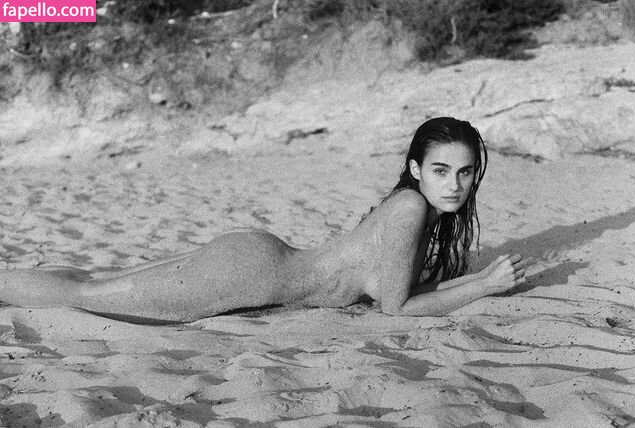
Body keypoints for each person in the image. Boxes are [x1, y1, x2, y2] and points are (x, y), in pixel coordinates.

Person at [0, 117, 527, 323]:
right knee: (86, 294)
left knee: (93, 282)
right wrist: (481, 286)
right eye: (440, 170)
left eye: (464, 172)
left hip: (256, 262)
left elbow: (394, 287)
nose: (454, 184)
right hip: (246, 274)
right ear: (416, 170)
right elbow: (397, 308)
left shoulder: (419, 209)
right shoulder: (411, 207)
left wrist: (474, 279)